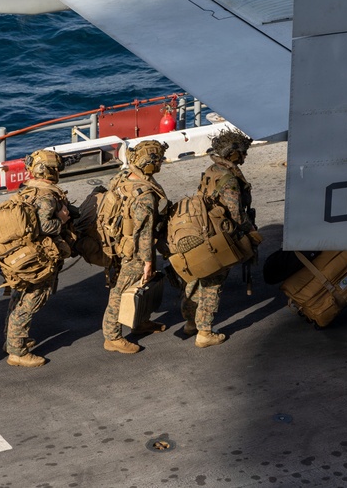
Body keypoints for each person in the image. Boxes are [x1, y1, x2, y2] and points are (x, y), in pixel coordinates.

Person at [181, 129, 259, 348]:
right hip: (219, 236)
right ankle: (204, 332)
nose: (244, 157)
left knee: (196, 277)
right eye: (242, 153)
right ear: (233, 155)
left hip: (203, 230)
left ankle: (190, 322)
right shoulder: (229, 179)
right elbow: (236, 213)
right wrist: (250, 232)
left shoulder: (211, 170)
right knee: (213, 282)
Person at [4, 149, 73, 367]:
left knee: (19, 296)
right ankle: (17, 352)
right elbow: (46, 226)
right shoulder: (46, 196)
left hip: (21, 257)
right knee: (32, 300)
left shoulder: (26, 190)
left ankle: (12, 340)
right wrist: (62, 219)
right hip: (39, 258)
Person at [102, 140, 169, 354]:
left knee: (141, 287)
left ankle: (140, 321)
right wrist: (148, 262)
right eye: (157, 160)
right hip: (135, 249)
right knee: (121, 290)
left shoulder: (123, 178)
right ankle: (112, 336)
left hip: (119, 241)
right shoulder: (145, 196)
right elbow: (145, 233)